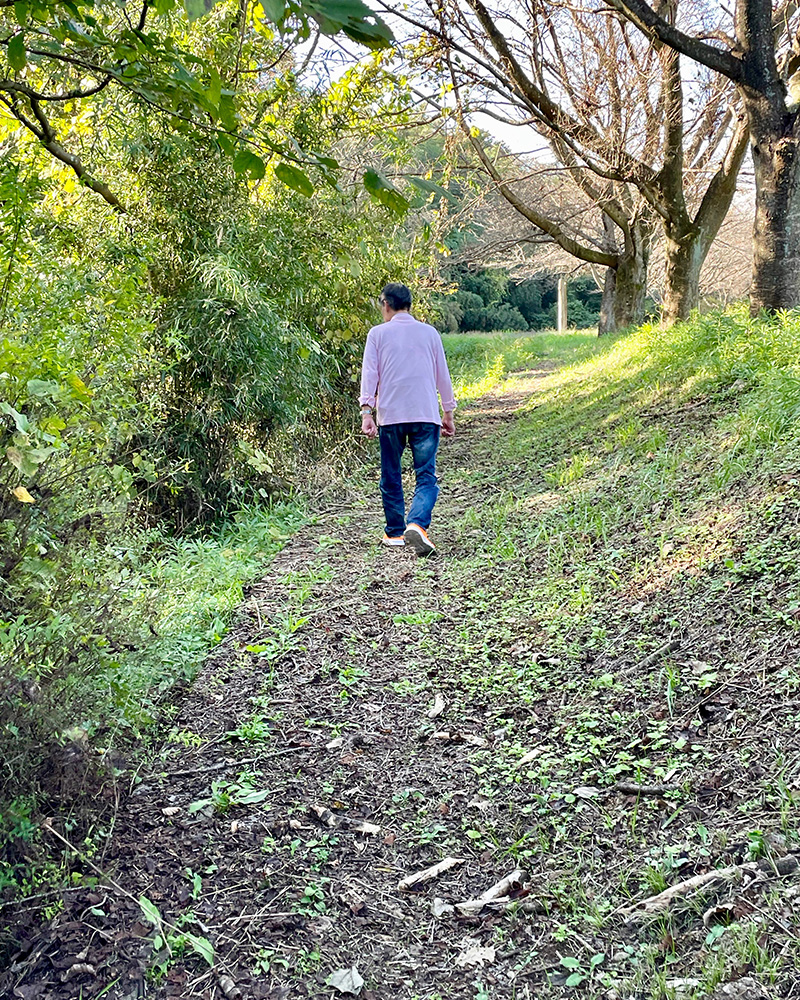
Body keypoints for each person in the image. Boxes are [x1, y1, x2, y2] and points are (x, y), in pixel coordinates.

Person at [359, 282, 456, 556]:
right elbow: (442, 375)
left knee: (391, 474)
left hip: (391, 416)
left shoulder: (377, 334)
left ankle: (394, 534)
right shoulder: (430, 333)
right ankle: (417, 524)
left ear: (385, 304)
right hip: (426, 414)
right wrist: (448, 412)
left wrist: (367, 412)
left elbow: (370, 374)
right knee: (426, 476)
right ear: (409, 305)